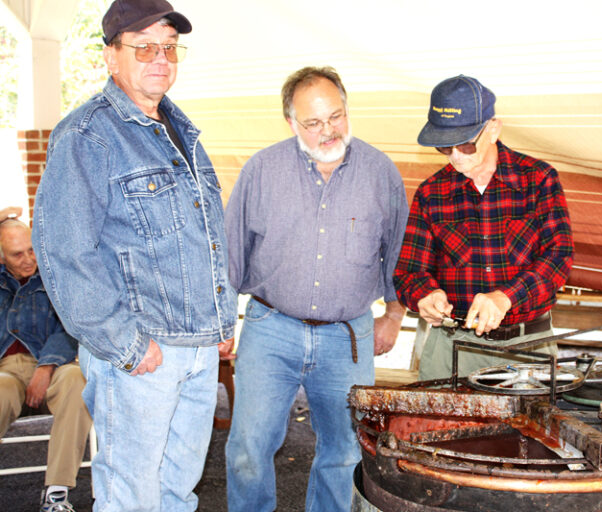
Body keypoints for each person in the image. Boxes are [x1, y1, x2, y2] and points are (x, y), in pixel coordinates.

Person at [31, 0, 237, 509]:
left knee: (176, 491)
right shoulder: (86, 136)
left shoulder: (180, 130)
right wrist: (124, 342)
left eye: (168, 47)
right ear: (110, 57)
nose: (160, 58)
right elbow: (64, 251)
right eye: (144, 46)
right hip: (142, 352)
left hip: (196, 346)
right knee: (130, 497)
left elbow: (207, 233)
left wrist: (220, 321)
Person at [224, 66, 409, 512]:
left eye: (337, 117)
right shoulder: (262, 171)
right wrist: (220, 320)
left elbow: (400, 251)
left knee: (345, 453)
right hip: (270, 328)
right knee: (248, 448)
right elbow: (230, 252)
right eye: (314, 122)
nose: (328, 130)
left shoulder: (380, 173)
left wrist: (393, 316)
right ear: (291, 122)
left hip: (347, 338)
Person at [394, 75, 574, 380]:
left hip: (528, 348)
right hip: (451, 348)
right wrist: (425, 295)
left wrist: (505, 297)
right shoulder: (430, 193)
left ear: (492, 129)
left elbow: (558, 259)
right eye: (444, 148)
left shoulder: (538, 179)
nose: (454, 157)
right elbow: (408, 273)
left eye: (464, 145)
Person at [0, 219, 92, 512]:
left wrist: (46, 366)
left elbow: (69, 330)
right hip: (5, 371)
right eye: (17, 254)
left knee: (78, 381)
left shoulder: (55, 278)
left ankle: (57, 492)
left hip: (51, 365)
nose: (29, 260)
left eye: (32, 250)